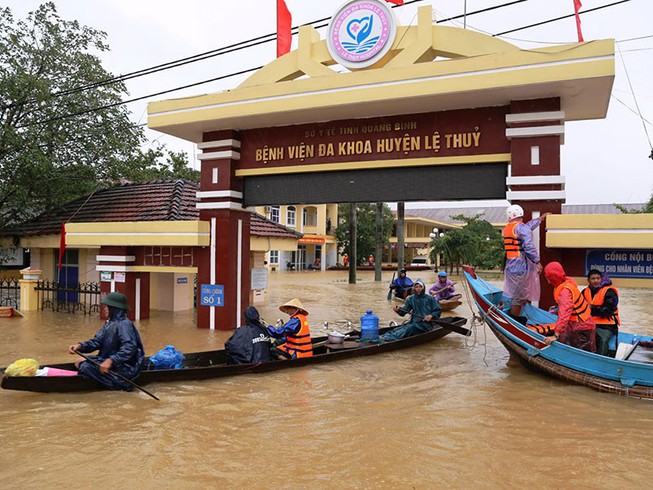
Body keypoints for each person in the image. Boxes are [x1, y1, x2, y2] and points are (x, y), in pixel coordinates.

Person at [68, 292, 145, 391]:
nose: (104, 309)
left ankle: (119, 386)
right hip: (111, 360)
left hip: (126, 366)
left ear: (114, 309)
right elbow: (96, 342)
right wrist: (80, 346)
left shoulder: (124, 324)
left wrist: (110, 361)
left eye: (107, 307)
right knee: (79, 361)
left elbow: (129, 347)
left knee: (85, 367)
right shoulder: (109, 324)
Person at [502, 204, 549, 317]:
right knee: (519, 297)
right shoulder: (521, 228)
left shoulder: (508, 228)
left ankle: (509, 314)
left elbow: (526, 228)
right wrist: (537, 262)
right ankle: (514, 320)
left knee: (512, 294)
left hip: (510, 267)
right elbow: (528, 246)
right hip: (520, 267)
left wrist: (540, 219)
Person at [543, 262, 596, 352]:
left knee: (581, 354)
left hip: (581, 328)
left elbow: (564, 313)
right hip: (579, 325)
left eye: (547, 276)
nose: (546, 278)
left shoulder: (564, 291)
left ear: (552, 277)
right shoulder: (566, 284)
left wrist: (556, 334)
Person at [582, 269, 620, 357]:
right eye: (593, 278)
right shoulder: (584, 292)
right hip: (588, 323)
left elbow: (608, 310)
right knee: (577, 336)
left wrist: (591, 308)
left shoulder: (610, 292)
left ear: (601, 279)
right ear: (589, 280)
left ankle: (601, 361)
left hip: (606, 325)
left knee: (603, 340)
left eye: (598, 278)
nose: (596, 281)